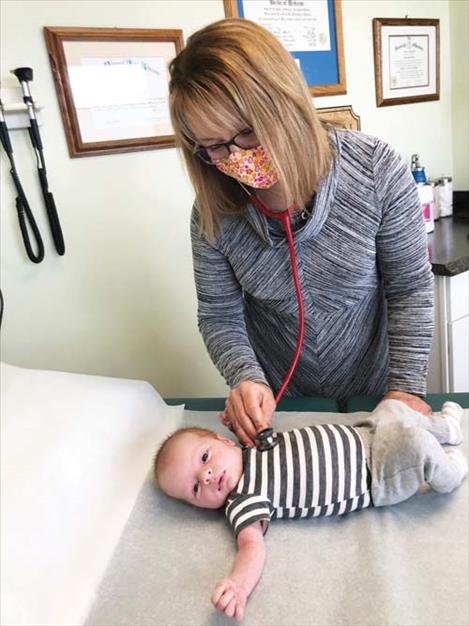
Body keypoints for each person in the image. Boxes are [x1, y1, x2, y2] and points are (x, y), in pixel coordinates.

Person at [168, 18, 434, 448]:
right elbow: (219, 315)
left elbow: (410, 288)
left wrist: (405, 387)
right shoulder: (212, 213)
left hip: (378, 391)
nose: (236, 157)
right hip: (282, 405)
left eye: (247, 132)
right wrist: (244, 377)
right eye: (214, 146)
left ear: (287, 103)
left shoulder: (375, 169)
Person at [154, 400, 467, 621]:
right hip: (376, 475)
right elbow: (252, 547)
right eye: (195, 488)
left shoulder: (251, 444)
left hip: (366, 435)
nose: (206, 477)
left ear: (225, 440)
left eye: (204, 457)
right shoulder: (242, 500)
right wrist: (238, 585)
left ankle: (446, 429)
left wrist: (239, 417)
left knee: (394, 409)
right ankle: (450, 474)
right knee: (415, 445)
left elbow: (252, 417)